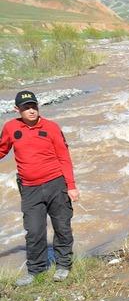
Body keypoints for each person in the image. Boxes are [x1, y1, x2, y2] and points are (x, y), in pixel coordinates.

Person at [1, 91, 79, 286]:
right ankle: (36, 270)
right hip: (29, 189)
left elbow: (64, 157)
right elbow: (1, 150)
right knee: (34, 231)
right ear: (17, 109)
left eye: (33, 106)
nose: (31, 110)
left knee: (62, 226)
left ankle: (63, 265)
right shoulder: (11, 128)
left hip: (56, 185)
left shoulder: (51, 127)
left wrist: (71, 186)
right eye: (26, 107)